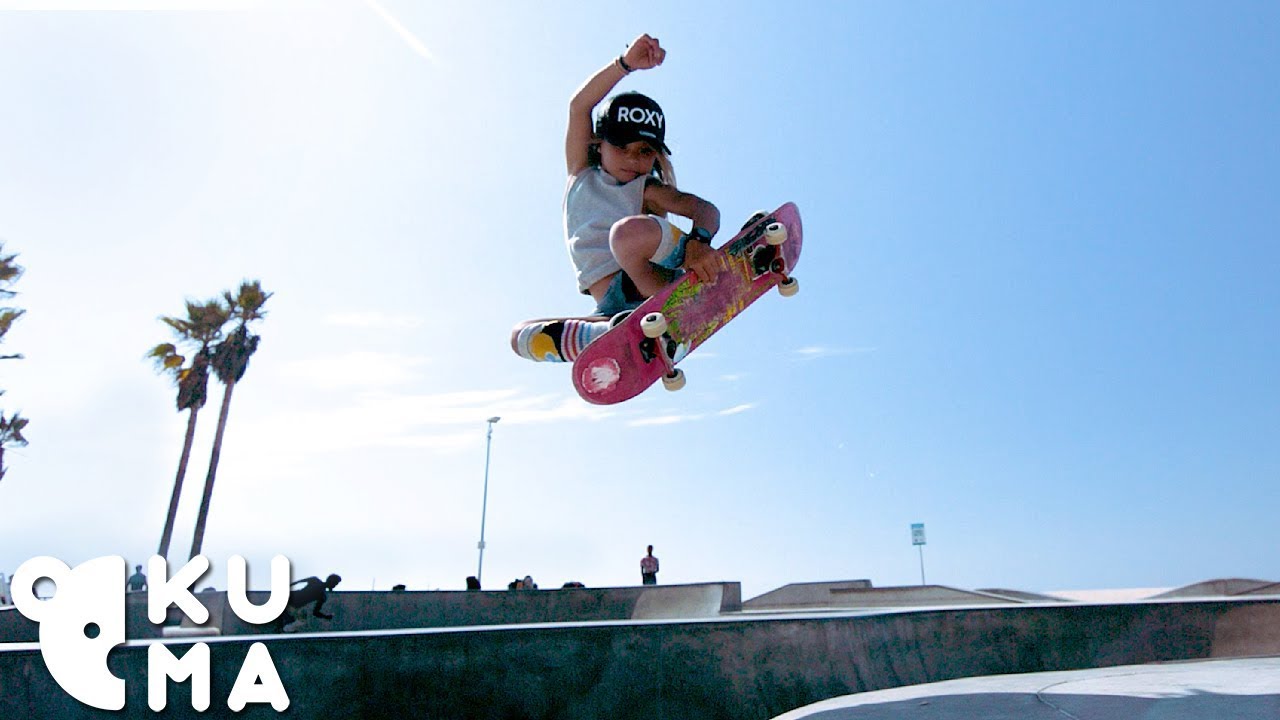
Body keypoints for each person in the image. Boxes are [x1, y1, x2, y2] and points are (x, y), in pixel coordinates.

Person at [513, 34, 722, 363]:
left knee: (625, 235)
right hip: (612, 305)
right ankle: (616, 331)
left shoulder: (647, 188)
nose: (632, 160)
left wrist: (700, 241)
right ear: (599, 143)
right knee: (523, 336)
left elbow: (704, 210)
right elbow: (579, 106)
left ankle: (673, 297)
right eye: (621, 147)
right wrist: (624, 65)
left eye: (644, 152)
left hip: (653, 280)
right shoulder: (580, 173)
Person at [273, 573, 341, 632]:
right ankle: (282, 627)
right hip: (291, 601)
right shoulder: (316, 583)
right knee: (297, 618)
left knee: (300, 618)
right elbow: (298, 582)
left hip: (293, 605)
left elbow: (315, 612)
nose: (335, 585)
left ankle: (283, 627)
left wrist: (326, 616)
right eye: (335, 583)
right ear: (331, 581)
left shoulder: (321, 594)